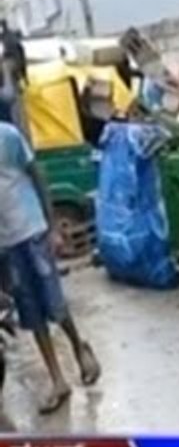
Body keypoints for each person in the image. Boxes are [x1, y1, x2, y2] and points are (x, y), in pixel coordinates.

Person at [0, 120, 100, 413]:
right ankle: (57, 379)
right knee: (31, 312)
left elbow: (37, 176)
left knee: (54, 303)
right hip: (7, 244)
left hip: (33, 230)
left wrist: (52, 226)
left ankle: (79, 346)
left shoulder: (9, 136)